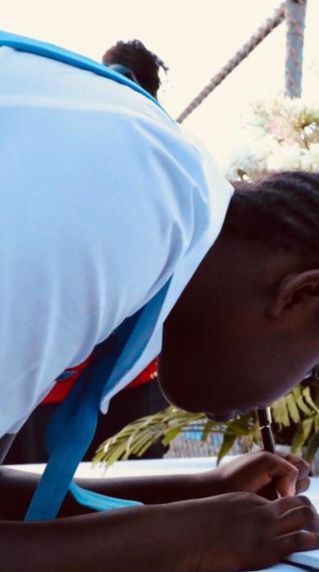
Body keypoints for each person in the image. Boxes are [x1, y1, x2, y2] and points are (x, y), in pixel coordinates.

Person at [0, 32, 319, 572]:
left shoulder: (154, 187)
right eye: (312, 371)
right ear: (302, 293)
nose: (292, 393)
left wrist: (190, 496)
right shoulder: (112, 229)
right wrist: (172, 544)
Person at [8, 39, 170, 465]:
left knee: (36, 500)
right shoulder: (167, 155)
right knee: (127, 497)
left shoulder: (69, 132)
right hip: (108, 376)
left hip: (59, 374)